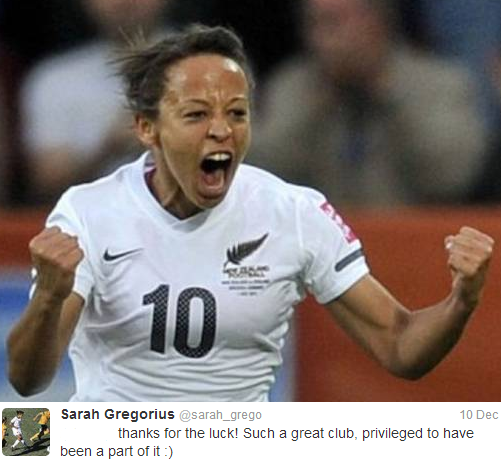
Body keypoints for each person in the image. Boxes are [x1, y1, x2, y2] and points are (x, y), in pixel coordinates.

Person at [7, 25, 494, 402]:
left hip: (237, 442)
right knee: (22, 438)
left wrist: (461, 301)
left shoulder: (293, 213)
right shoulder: (89, 212)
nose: (222, 130)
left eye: (237, 113)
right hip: (115, 441)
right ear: (147, 128)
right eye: (197, 114)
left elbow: (401, 347)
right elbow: (26, 381)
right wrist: (48, 297)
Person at [251, 0, 487, 206]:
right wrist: (314, 106)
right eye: (313, 24)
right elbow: (261, 175)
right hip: (318, 235)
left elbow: (451, 177)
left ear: (376, 21)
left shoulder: (439, 83)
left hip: (413, 233)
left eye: (333, 22)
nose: (321, 39)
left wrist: (388, 90)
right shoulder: (292, 86)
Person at [20, 0, 173, 203]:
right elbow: (46, 185)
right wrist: (110, 146)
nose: (125, 3)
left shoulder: (207, 66)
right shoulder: (53, 79)